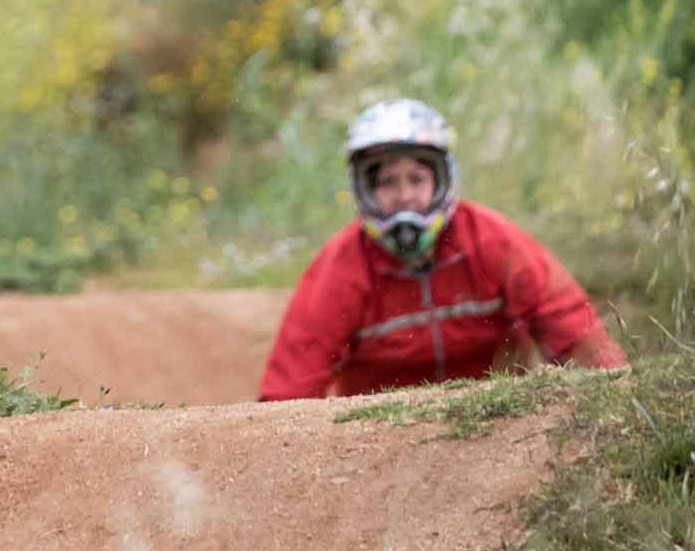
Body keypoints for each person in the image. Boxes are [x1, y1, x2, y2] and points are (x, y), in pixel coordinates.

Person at [258, 98, 624, 401]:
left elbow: (575, 330)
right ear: (363, 190)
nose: (404, 196)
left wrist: (619, 396)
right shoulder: (342, 267)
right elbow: (288, 391)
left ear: (442, 180)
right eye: (386, 182)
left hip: (500, 420)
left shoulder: (491, 241)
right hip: (376, 444)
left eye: (417, 179)